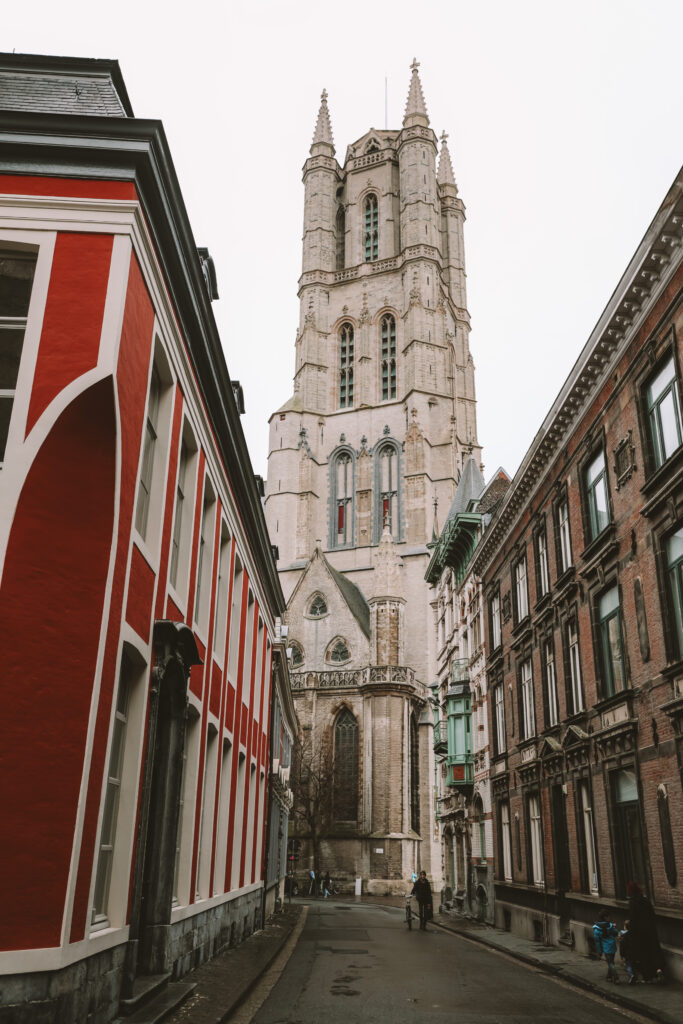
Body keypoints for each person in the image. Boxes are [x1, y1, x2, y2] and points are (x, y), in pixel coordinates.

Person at [627, 881, 665, 983]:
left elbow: (633, 918)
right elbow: (652, 915)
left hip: (639, 933)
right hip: (650, 930)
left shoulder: (632, 902)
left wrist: (630, 932)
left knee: (643, 954)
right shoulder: (646, 900)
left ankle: (648, 976)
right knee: (654, 951)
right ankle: (659, 969)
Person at [593, 911, 619, 983]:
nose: (610, 918)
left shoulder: (597, 928)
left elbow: (597, 941)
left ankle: (616, 977)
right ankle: (609, 977)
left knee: (610, 963)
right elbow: (615, 933)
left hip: (606, 947)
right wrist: (614, 927)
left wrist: (599, 952)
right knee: (611, 962)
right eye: (608, 916)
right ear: (605, 917)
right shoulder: (610, 925)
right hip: (612, 945)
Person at [619, 920, 636, 984]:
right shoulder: (633, 934)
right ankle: (634, 976)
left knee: (628, 965)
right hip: (633, 952)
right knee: (633, 964)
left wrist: (622, 954)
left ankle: (631, 975)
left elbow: (622, 946)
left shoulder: (623, 935)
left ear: (625, 927)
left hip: (627, 953)